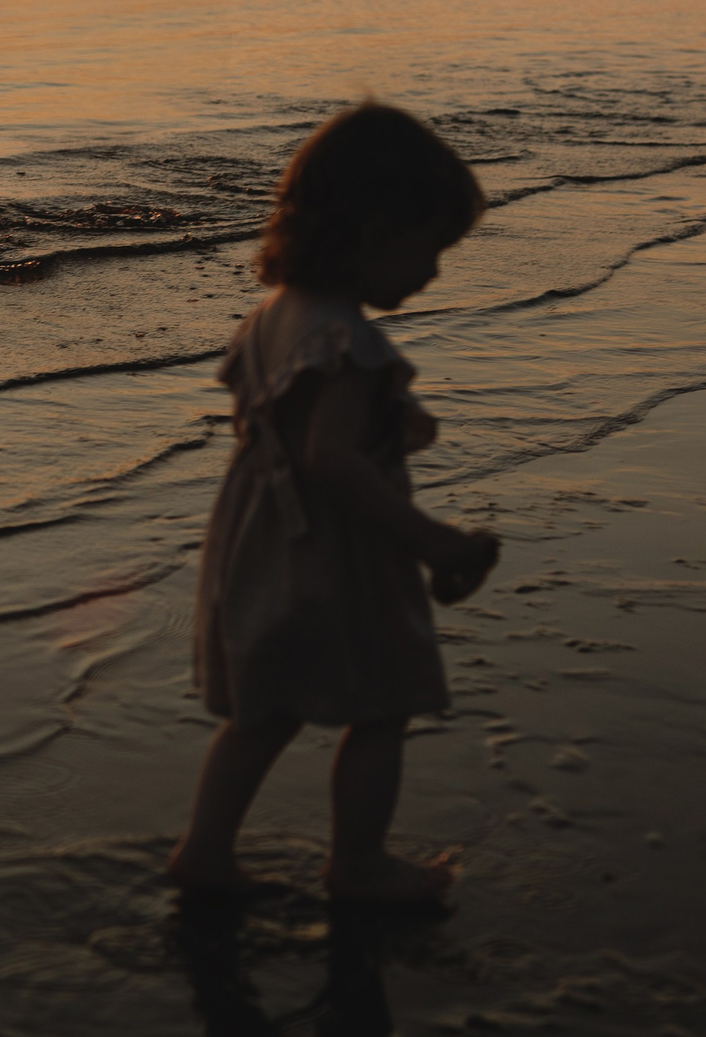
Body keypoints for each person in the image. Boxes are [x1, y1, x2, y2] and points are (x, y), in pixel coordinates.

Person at [168, 102, 501, 903]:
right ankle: (358, 864)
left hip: (260, 544)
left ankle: (205, 849)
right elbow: (333, 459)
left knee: (264, 712)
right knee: (383, 704)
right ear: (373, 232)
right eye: (429, 249)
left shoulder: (273, 316)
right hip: (332, 552)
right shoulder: (347, 342)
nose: (433, 272)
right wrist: (434, 541)